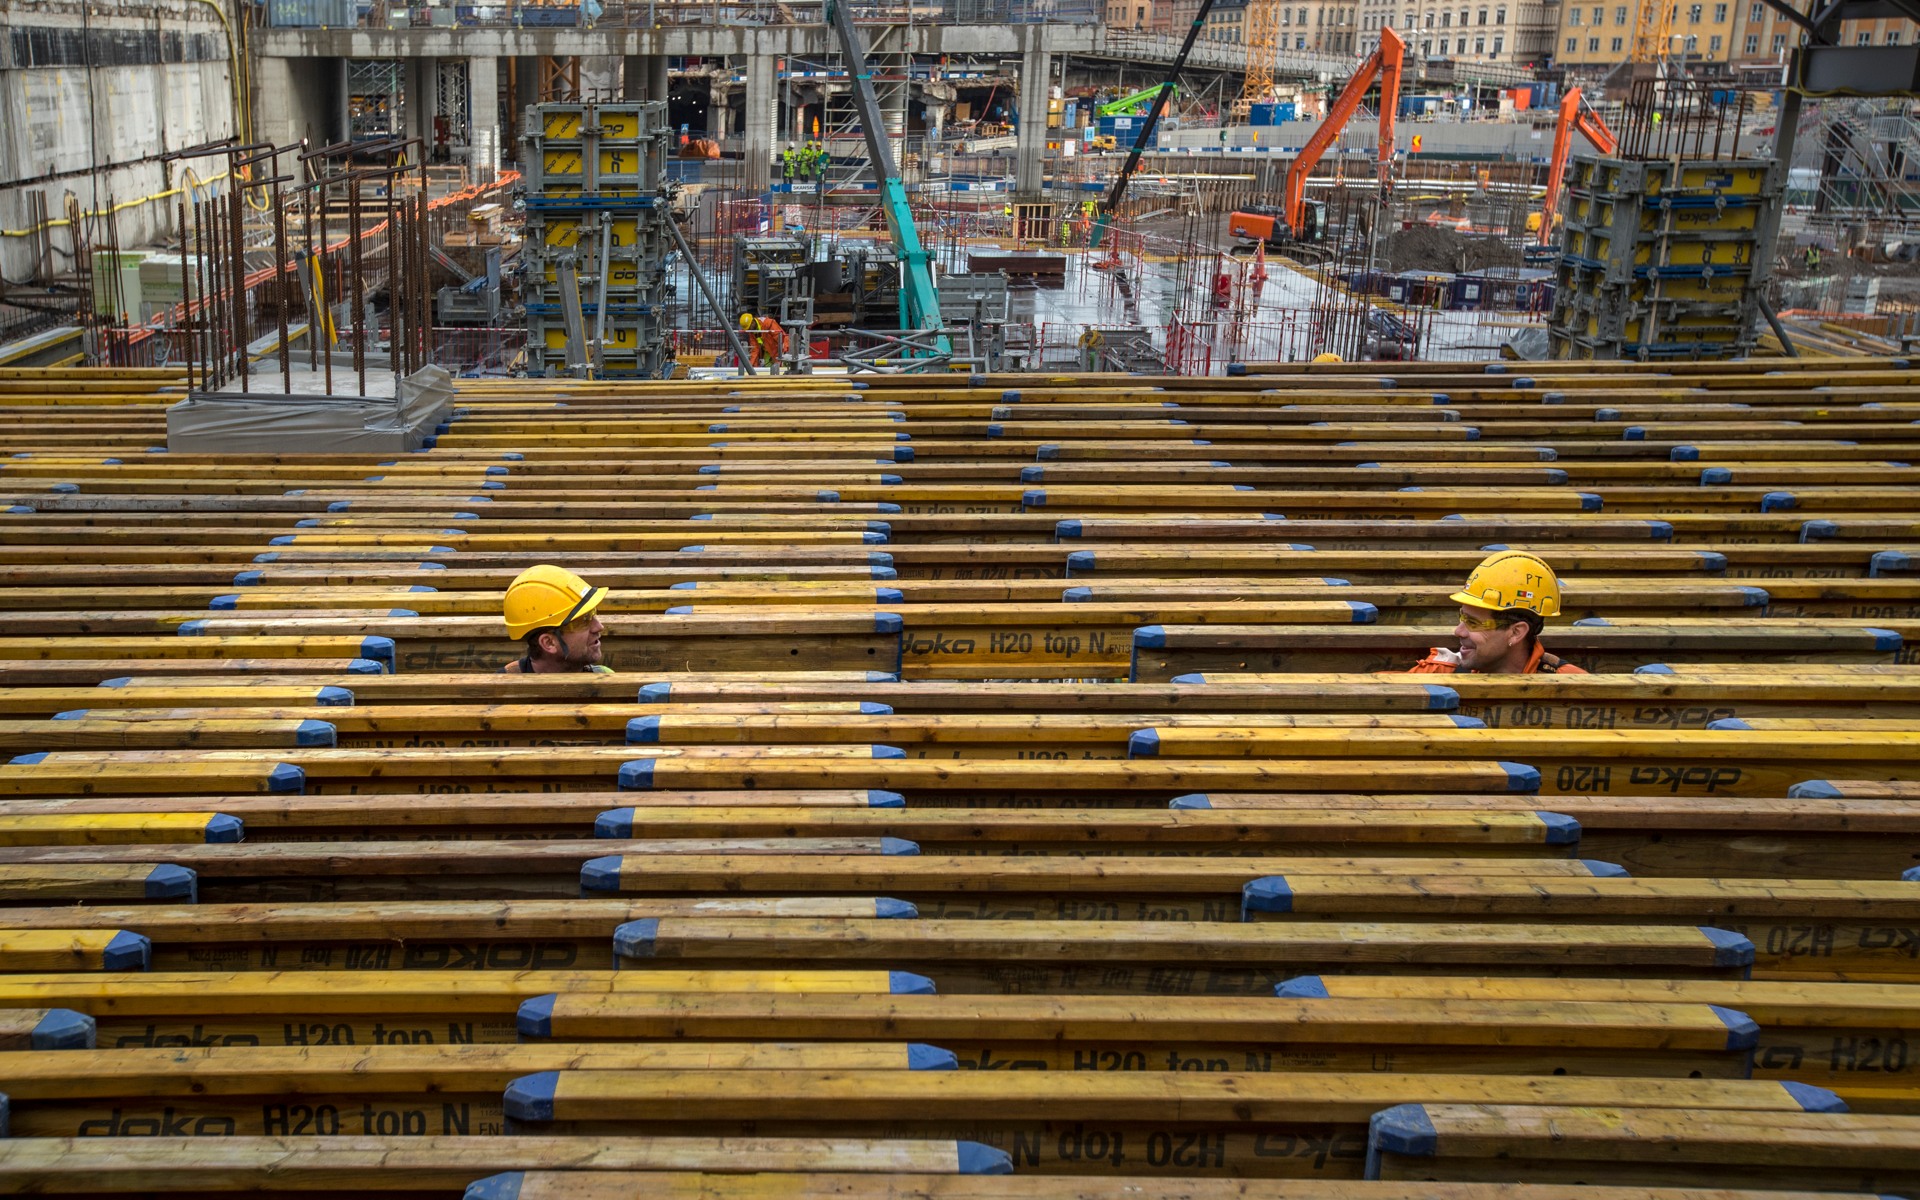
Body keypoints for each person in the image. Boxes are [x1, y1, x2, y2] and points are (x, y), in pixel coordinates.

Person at [1410, 550, 1587, 675]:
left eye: (1473, 623)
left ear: (1516, 632)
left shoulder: (1575, 689)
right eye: (1461, 617)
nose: (1458, 631)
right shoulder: (1436, 675)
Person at [502, 565, 611, 674]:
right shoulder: (500, 688)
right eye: (583, 621)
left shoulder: (607, 679)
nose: (599, 627)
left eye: (592, 613)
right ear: (549, 643)